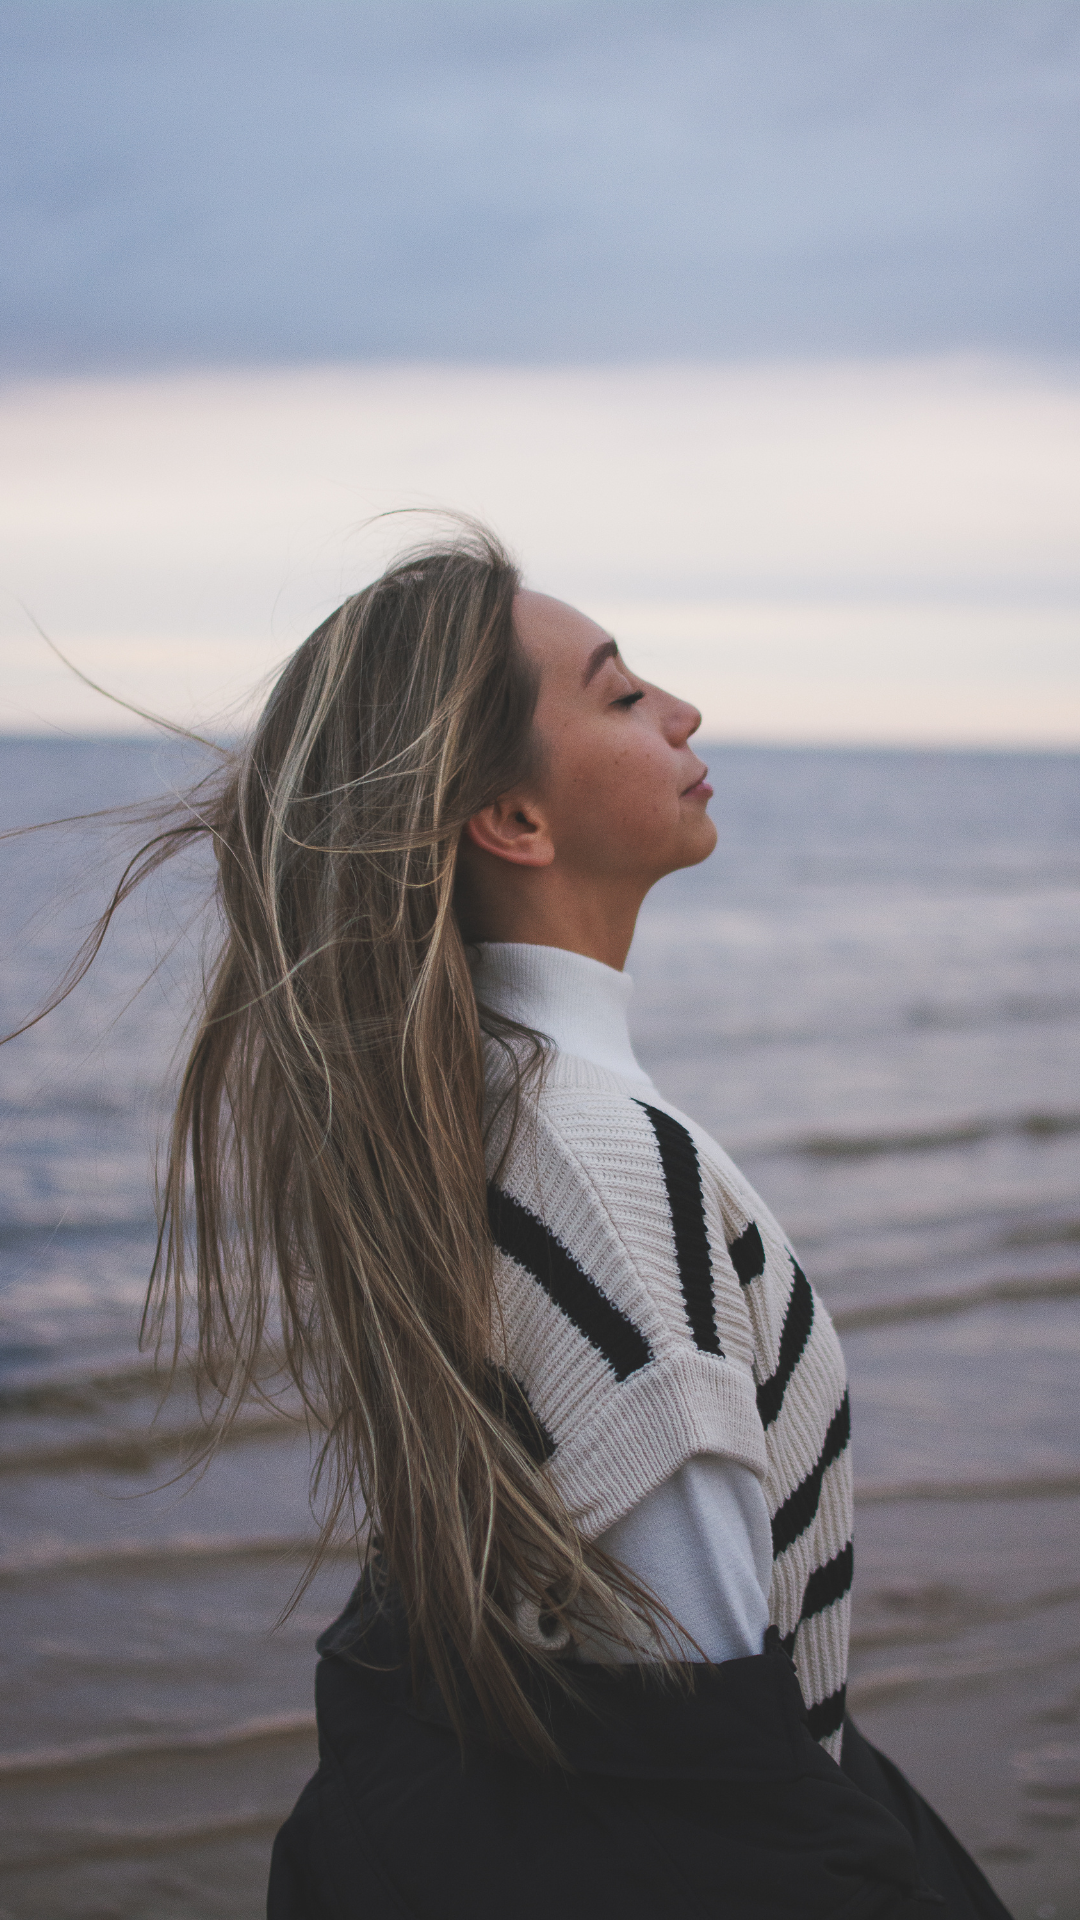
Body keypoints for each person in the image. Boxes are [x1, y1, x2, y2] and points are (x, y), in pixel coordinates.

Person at [27, 524, 1011, 1916]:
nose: (685, 711)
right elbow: (712, 1779)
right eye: (618, 695)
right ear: (516, 821)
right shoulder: (599, 1172)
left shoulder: (494, 1112)